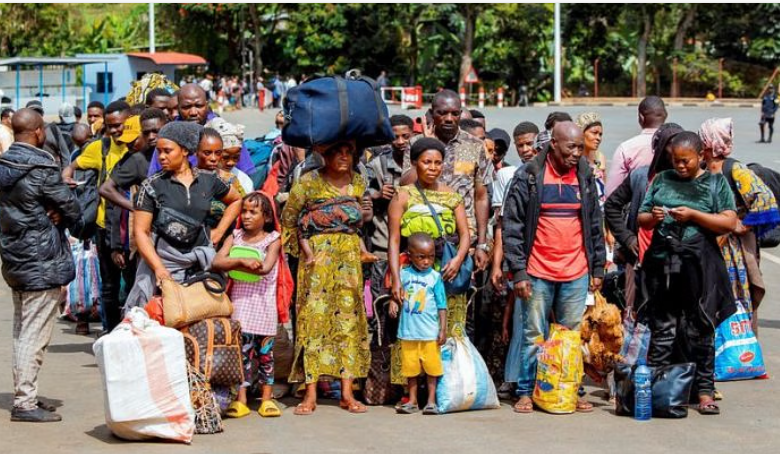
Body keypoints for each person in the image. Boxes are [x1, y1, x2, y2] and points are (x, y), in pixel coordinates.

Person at [502, 121, 606, 414]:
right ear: (554, 145)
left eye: (580, 148)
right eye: (571, 147)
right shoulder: (530, 176)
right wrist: (518, 272)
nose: (577, 153)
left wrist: (597, 268)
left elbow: (594, 225)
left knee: (570, 337)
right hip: (537, 271)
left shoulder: (584, 176)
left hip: (576, 271)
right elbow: (512, 225)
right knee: (533, 336)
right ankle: (526, 391)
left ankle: (572, 389)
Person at [637, 131, 738, 415]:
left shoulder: (715, 183)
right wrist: (653, 217)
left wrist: (694, 216)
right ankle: (657, 388)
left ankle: (704, 391)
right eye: (676, 161)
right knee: (663, 327)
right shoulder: (662, 179)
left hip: (700, 266)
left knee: (701, 327)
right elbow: (642, 218)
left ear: (701, 156)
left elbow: (729, 221)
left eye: (686, 161)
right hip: (663, 263)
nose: (680, 166)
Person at [0, 108, 82, 422]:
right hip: (42, 258)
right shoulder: (42, 167)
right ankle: (24, 403)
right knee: (34, 333)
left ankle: (27, 393)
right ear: (38, 132)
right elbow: (69, 207)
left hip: (14, 254)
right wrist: (63, 211)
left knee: (23, 329)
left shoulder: (4, 165)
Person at [281, 140, 372, 416]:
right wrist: (305, 253)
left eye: (348, 153)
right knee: (313, 321)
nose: (344, 157)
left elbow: (358, 222)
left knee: (347, 322)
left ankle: (347, 393)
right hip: (317, 261)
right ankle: (309, 394)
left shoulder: (358, 181)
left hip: (348, 260)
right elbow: (289, 219)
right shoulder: (307, 183)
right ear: (325, 155)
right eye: (338, 153)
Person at [126, 122, 241, 309]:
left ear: (185, 151)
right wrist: (159, 269)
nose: (161, 156)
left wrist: (219, 231)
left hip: (202, 266)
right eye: (159, 151)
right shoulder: (151, 186)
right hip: (164, 265)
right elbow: (141, 232)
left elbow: (236, 200)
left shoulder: (208, 180)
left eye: (167, 151)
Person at [699, 118, 780, 334]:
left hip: (735, 251)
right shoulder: (702, 168)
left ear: (709, 142)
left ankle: (740, 354)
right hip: (706, 244)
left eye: (702, 139)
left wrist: (741, 225)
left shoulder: (735, 169)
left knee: (736, 298)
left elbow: (765, 199)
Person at [62, 102, 136, 333]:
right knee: (109, 287)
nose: (116, 131)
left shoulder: (139, 147)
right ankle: (110, 333)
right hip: (105, 227)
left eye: (120, 125)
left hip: (135, 228)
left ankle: (133, 334)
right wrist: (68, 178)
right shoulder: (100, 148)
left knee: (135, 285)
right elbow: (70, 167)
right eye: (111, 126)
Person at [213, 192, 283, 419]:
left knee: (265, 355)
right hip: (240, 305)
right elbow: (217, 261)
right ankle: (241, 399)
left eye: (253, 212)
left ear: (267, 217)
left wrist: (233, 263)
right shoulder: (235, 236)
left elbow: (265, 267)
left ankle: (266, 399)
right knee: (241, 355)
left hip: (263, 306)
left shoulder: (273, 239)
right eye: (244, 211)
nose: (247, 216)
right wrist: (242, 260)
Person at [405, 90, 491, 272]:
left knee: (458, 296)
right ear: (432, 113)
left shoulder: (475, 146)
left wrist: (482, 244)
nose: (449, 118)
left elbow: (481, 197)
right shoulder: (415, 144)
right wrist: (426, 146)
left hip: (463, 242)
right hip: (422, 242)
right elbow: (404, 185)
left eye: (455, 113)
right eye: (442, 113)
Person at [604, 123, 683, 310]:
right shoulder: (640, 177)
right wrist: (628, 238)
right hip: (640, 260)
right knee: (638, 312)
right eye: (672, 145)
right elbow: (612, 206)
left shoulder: (689, 178)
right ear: (661, 148)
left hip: (676, 262)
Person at [487, 121, 539, 395]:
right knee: (522, 322)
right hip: (522, 263)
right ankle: (516, 379)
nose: (526, 149)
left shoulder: (552, 173)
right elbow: (503, 225)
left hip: (551, 261)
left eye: (530, 143)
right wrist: (498, 263)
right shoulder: (510, 176)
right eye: (520, 145)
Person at [389, 232, 447, 415]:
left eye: (430, 257)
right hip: (409, 332)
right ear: (410, 254)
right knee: (411, 369)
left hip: (429, 333)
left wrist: (443, 329)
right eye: (421, 257)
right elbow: (397, 294)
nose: (426, 261)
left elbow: (442, 305)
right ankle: (412, 400)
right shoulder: (403, 275)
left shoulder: (435, 277)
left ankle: (431, 401)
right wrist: (393, 301)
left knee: (432, 369)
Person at [605, 96, 667, 197]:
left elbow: (611, 192)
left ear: (641, 118)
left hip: (636, 208)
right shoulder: (678, 143)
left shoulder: (626, 148)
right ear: (665, 115)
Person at [206, 117, 254, 194]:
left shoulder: (243, 180)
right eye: (225, 157)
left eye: (236, 157)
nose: (231, 163)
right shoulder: (200, 176)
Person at [575, 112, 607, 207]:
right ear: (581, 133)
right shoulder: (573, 159)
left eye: (600, 134)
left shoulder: (600, 157)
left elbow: (604, 188)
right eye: (594, 133)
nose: (598, 138)